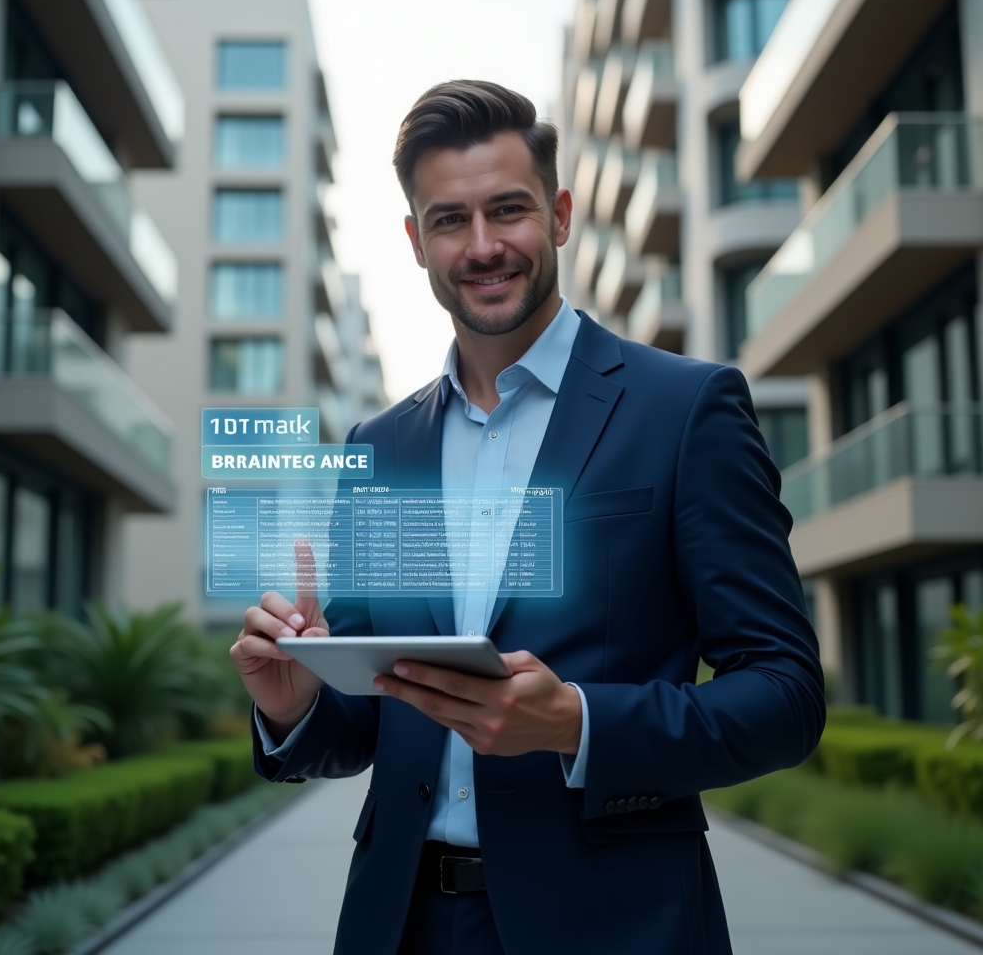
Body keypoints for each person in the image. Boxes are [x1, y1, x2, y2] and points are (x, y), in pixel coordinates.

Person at [231, 80, 825, 955]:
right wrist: (296, 706)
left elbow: (784, 694)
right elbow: (373, 716)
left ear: (560, 215)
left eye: (507, 210)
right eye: (449, 220)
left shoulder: (686, 409)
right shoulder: (380, 447)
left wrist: (578, 723)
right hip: (401, 924)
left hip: (617, 927)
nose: (482, 246)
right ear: (416, 241)